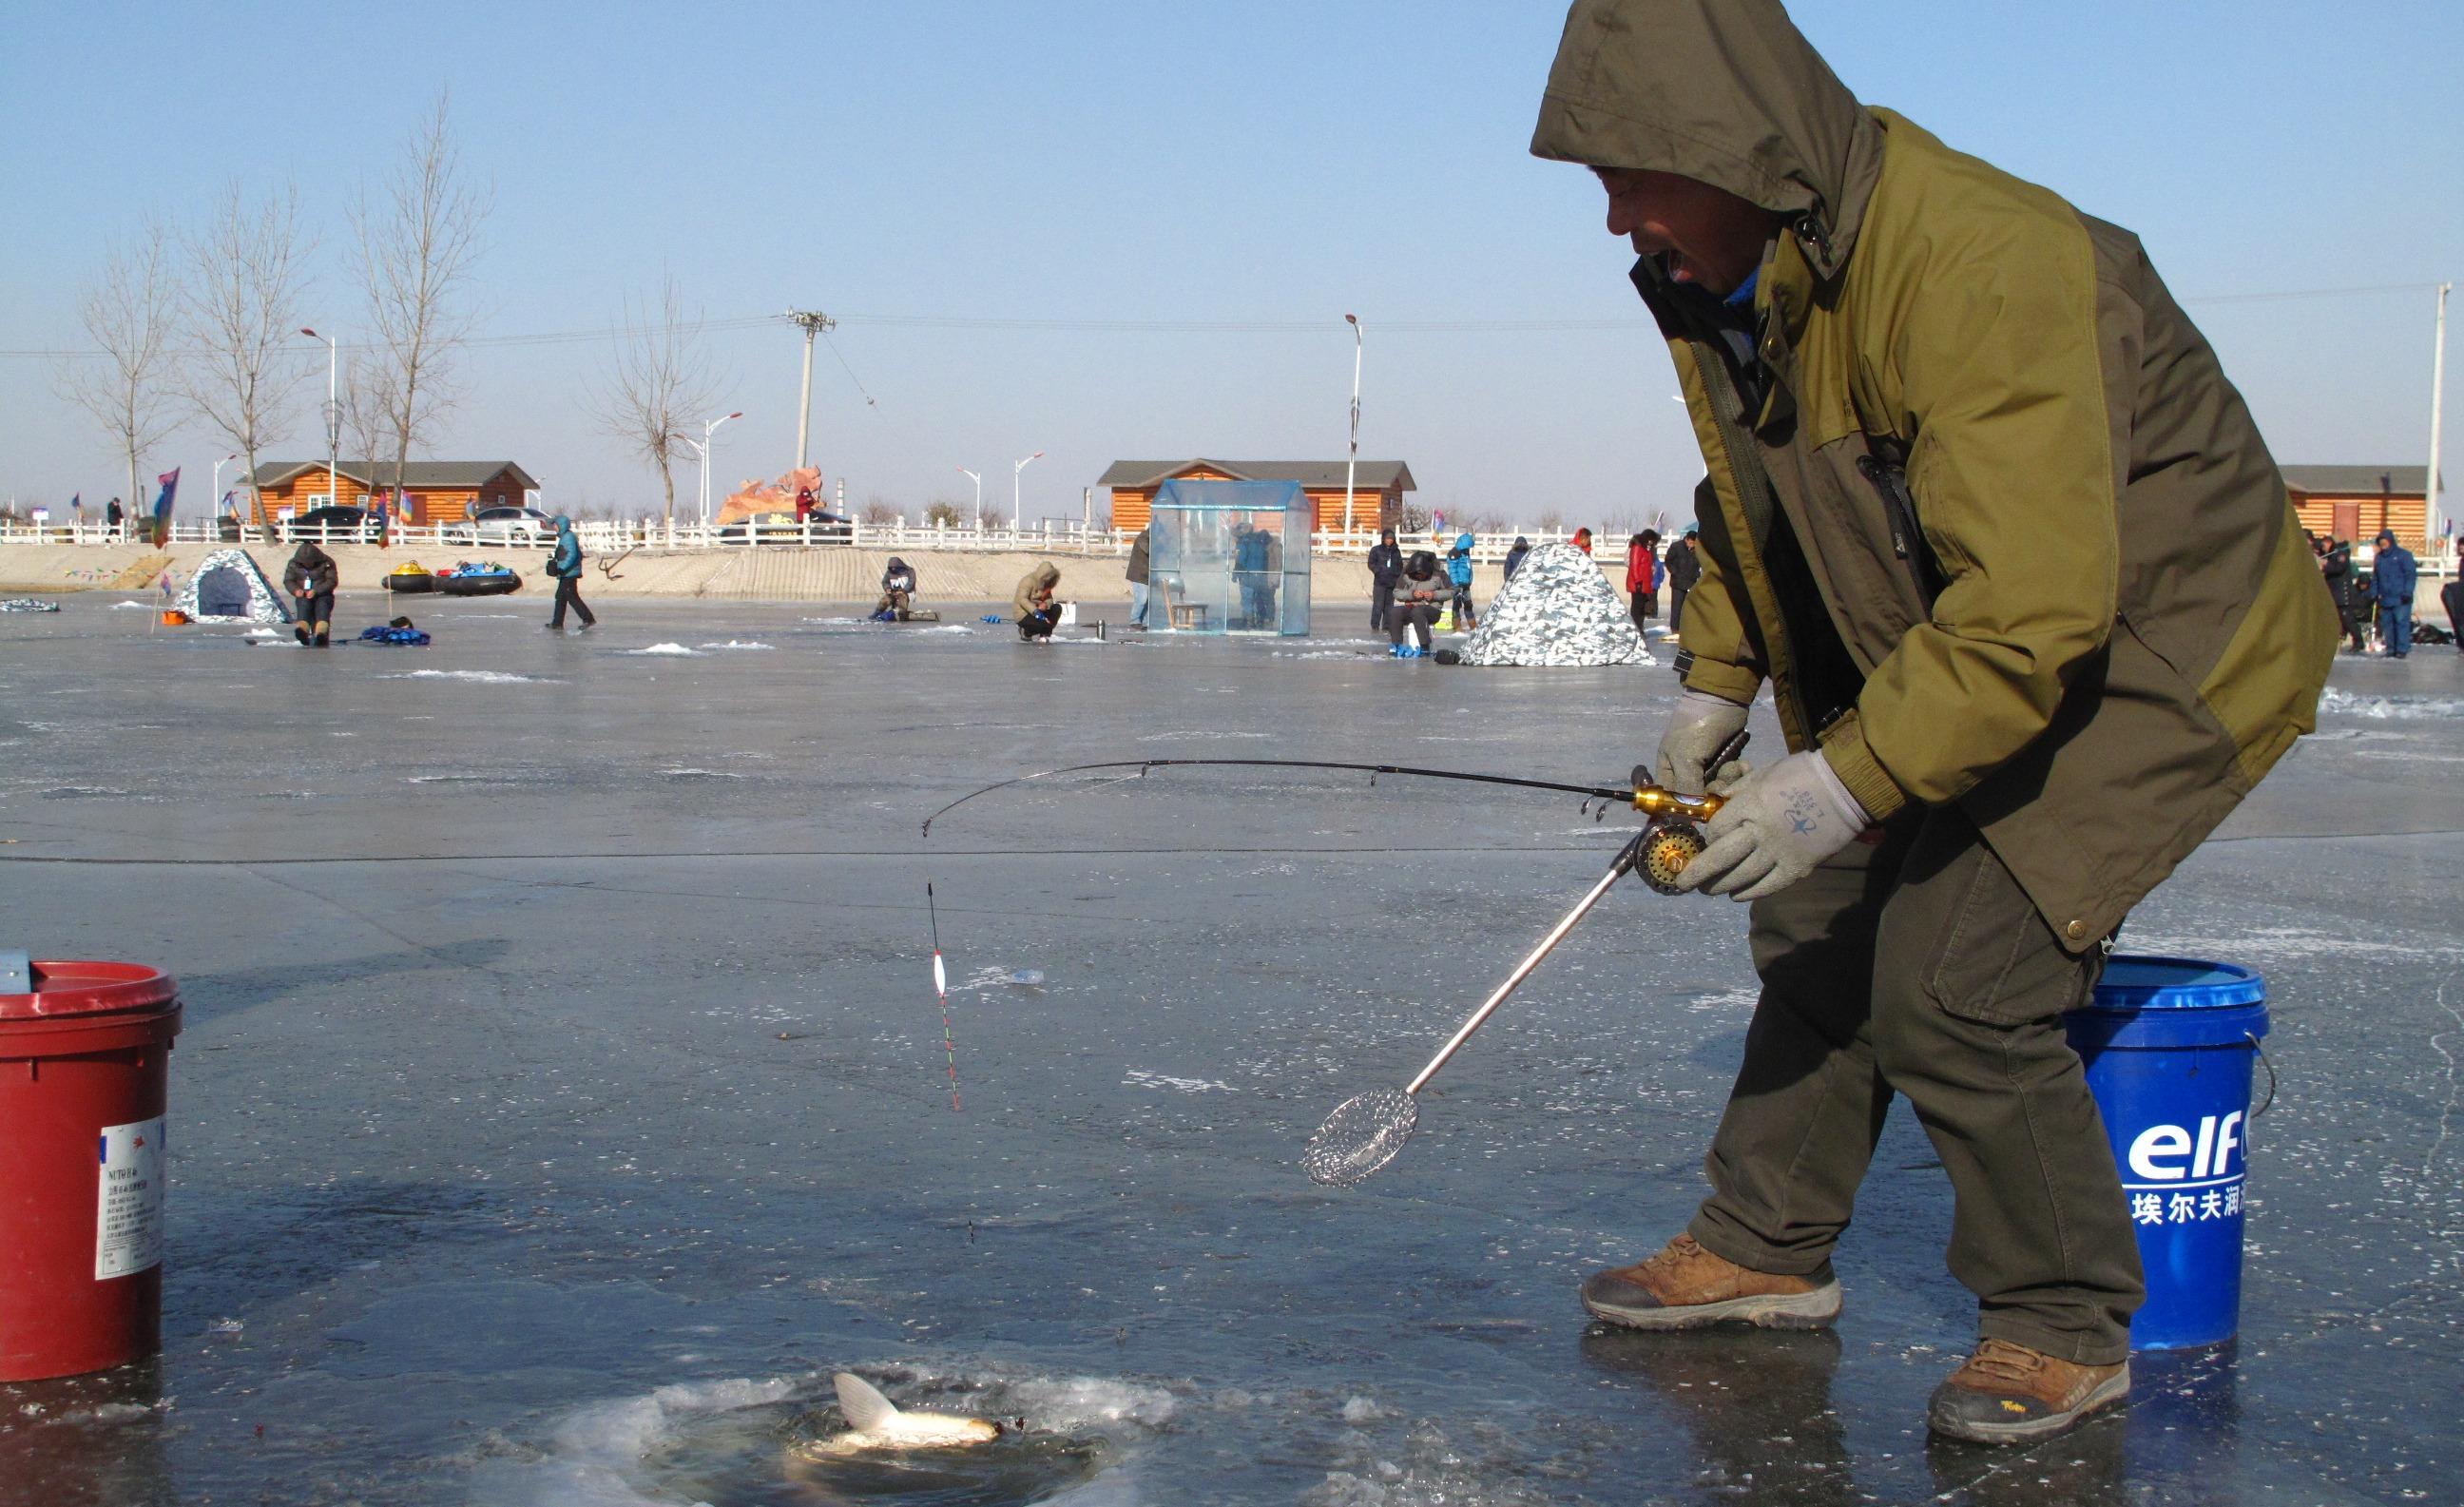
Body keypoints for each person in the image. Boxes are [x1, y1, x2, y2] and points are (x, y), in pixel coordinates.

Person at [1532, 0, 2336, 1446]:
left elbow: (2037, 606)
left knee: (1959, 970)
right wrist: (1716, 687)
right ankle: (1764, 1243)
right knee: (1820, 920)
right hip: (1970, 631)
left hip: (2164, 646)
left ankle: (2062, 1320)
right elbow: (1758, 499)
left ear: (1728, 153)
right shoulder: (1730, 272)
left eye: (1626, 178)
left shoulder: (1981, 260)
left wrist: (1829, 785)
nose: (1613, 220)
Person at [1387, 550, 1446, 656]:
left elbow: (1452, 591)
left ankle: (1424, 646)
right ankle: (1396, 644)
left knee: (1418, 611)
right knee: (1395, 612)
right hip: (1411, 607)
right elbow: (1396, 592)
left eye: (1421, 574)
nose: (1419, 576)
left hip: (1432, 609)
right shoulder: (1406, 574)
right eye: (1416, 574)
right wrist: (1412, 595)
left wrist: (1434, 595)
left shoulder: (1439, 574)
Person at [2371, 531, 2417, 658]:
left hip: (2401, 597)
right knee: (2388, 625)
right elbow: (2375, 577)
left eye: (2385, 541)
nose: (2383, 544)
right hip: (2385, 597)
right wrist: (2374, 592)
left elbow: (2410, 575)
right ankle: (2391, 648)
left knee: (2401, 623)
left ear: (2390, 541)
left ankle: (2401, 649)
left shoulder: (2404, 555)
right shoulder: (2379, 558)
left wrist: (2408, 591)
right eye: (2381, 542)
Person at [282, 540, 337, 647]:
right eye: (304, 563)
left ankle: (321, 634)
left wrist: (316, 590)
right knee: (303, 613)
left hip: (323, 595)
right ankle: (302, 632)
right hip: (303, 595)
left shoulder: (327, 562)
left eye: (309, 562)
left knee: (322, 614)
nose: (307, 564)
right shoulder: (293, 564)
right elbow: (289, 580)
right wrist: (295, 590)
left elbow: (332, 581)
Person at [545, 515, 595, 631]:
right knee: (561, 597)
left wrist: (561, 568)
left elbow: (572, 555)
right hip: (566, 573)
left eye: (555, 525)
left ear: (561, 525)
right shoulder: (565, 537)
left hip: (569, 573)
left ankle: (588, 619)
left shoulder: (568, 537)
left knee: (572, 597)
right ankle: (557, 623)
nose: (554, 527)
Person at [2320, 536, 2364, 652]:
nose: (2323, 549)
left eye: (2324, 546)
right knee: (2339, 619)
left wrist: (2325, 566)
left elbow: (2339, 568)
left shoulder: (2339, 553)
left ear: (2329, 543)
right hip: (2335, 593)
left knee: (2347, 619)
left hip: (2342, 594)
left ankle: (2359, 641)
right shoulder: (2332, 554)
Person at [1665, 519, 1703, 632]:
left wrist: (1697, 574)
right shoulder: (1676, 547)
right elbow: (1668, 560)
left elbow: (1700, 562)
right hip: (1678, 582)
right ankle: (1675, 628)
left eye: (1694, 543)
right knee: (1677, 607)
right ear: (1686, 539)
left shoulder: (1697, 550)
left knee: (1688, 607)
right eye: (1690, 542)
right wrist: (1674, 572)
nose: (1692, 545)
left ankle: (1686, 628)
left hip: (1691, 582)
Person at [1012, 562, 1062, 642]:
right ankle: (1026, 632)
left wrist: (1046, 604)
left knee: (1057, 608)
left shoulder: (1047, 583)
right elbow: (1022, 600)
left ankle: (1045, 634)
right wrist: (1036, 611)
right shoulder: (1027, 581)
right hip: (1024, 613)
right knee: (1043, 625)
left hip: (1040, 611)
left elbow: (1049, 599)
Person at [1367, 527, 1404, 633]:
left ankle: (1387, 626)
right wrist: (1378, 571)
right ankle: (1375, 625)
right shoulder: (1376, 550)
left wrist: (1397, 574)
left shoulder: (1396, 551)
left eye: (1391, 538)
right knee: (1378, 605)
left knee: (1389, 606)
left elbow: (1400, 565)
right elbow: (1371, 563)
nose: (1389, 540)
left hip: (1392, 582)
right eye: (1387, 538)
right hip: (1380, 582)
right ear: (1383, 539)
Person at [1626, 530, 1663, 629]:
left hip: (1645, 582)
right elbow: (1634, 565)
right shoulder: (1637, 548)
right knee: (1637, 607)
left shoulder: (1646, 549)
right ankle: (1636, 627)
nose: (1651, 543)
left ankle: (1640, 626)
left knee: (1642, 607)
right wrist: (1638, 581)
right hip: (1638, 583)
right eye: (1651, 541)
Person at [1444, 531, 1478, 631]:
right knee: (1456, 605)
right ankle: (1457, 626)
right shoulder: (1454, 553)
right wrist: (1456, 583)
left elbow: (1469, 568)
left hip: (1466, 584)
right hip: (1457, 585)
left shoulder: (1466, 554)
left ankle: (1473, 626)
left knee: (1468, 604)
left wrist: (1470, 580)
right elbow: (1452, 570)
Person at [875, 556, 919, 621]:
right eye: (891, 567)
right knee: (885, 599)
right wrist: (887, 588)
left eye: (895, 567)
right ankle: (877, 612)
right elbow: (885, 582)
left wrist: (903, 590)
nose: (893, 569)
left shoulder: (910, 571)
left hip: (908, 593)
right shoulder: (889, 572)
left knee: (902, 598)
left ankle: (901, 614)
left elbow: (911, 582)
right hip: (894, 592)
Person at [1125, 527, 1151, 628]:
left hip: (1147, 574)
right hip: (1139, 573)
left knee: (1148, 599)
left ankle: (1145, 621)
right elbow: (1147, 549)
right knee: (1142, 598)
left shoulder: (1151, 538)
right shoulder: (1143, 537)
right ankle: (1134, 620)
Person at [2442, 571, 2463, 654]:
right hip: (2453, 593)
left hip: (2453, 592)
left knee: (2459, 622)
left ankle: (2461, 646)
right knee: (2460, 622)